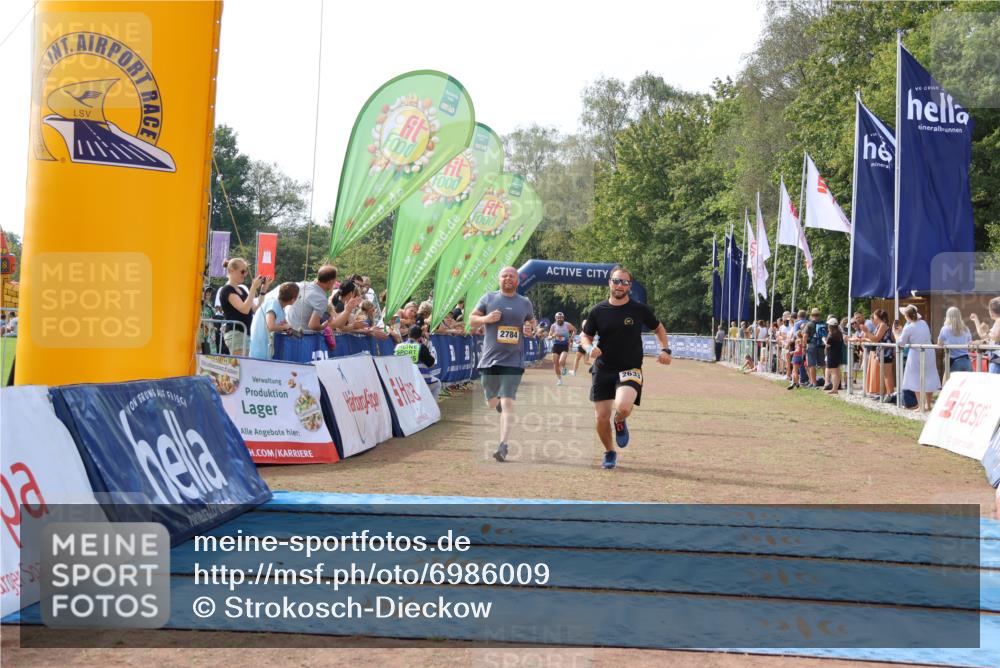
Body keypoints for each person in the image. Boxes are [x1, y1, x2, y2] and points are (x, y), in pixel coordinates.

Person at [579, 265, 671, 470]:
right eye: (616, 281)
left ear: (630, 286)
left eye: (624, 282)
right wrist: (589, 348)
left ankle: (620, 420)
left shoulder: (639, 309)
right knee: (601, 417)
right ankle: (609, 451)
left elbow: (658, 328)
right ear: (609, 283)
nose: (619, 285)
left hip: (630, 368)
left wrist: (665, 349)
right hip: (603, 368)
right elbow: (586, 336)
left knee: (622, 407)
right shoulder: (598, 310)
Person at [468, 266, 536, 463]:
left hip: (514, 360)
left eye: (512, 276)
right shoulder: (488, 298)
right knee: (491, 402)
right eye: (504, 276)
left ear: (518, 281)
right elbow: (472, 320)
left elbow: (532, 323)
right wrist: (486, 319)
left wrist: (530, 329)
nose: (508, 278)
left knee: (508, 402)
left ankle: (503, 445)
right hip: (490, 359)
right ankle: (496, 403)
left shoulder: (524, 302)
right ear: (499, 279)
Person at [218, 258, 268, 356]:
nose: (245, 274)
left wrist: (263, 291)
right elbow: (244, 309)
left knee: (243, 364)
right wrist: (253, 288)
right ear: (231, 270)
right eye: (242, 271)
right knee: (240, 364)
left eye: (246, 272)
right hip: (236, 333)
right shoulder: (227, 290)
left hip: (245, 333)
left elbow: (255, 309)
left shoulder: (242, 290)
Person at [894, 305, 941, 411]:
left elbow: (901, 342)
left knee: (915, 378)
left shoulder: (908, 328)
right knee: (929, 376)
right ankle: (928, 404)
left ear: (907, 316)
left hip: (916, 353)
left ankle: (921, 405)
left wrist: (896, 334)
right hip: (929, 352)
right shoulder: (923, 323)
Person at [287, 265, 357, 333]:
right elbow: (313, 325)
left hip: (287, 332)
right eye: (335, 280)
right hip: (303, 336)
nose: (335, 283)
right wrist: (323, 326)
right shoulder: (321, 298)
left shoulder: (302, 284)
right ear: (330, 282)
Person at [249, 282, 299, 359]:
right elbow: (270, 326)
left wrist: (298, 334)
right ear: (293, 299)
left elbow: (288, 329)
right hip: (259, 351)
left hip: (266, 351)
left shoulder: (280, 309)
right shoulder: (273, 304)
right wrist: (285, 327)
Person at [395, 325, 441, 400]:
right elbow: (431, 364)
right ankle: (431, 405)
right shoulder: (421, 347)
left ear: (408, 335)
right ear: (420, 337)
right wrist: (427, 348)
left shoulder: (398, 347)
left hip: (402, 381)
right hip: (420, 381)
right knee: (438, 383)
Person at [938, 306, 973, 374]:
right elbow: (970, 344)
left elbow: (939, 343)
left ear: (948, 317)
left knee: (952, 380)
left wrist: (946, 344)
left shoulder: (945, 329)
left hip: (954, 361)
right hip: (966, 361)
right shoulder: (966, 329)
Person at [971, 297, 1000, 374]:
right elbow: (983, 335)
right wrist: (976, 320)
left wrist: (987, 332)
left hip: (997, 360)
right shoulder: (997, 322)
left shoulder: (998, 321)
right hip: (996, 359)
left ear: (992, 311)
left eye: (989, 310)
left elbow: (997, 338)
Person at [547, 312, 576, 384]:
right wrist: (553, 336)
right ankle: (559, 380)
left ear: (563, 318)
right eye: (558, 318)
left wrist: (571, 339)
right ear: (555, 318)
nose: (560, 319)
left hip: (564, 345)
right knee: (555, 364)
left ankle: (564, 368)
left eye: (561, 318)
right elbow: (549, 337)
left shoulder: (567, 325)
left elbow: (575, 330)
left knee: (561, 361)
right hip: (556, 346)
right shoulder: (553, 326)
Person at [824, 316, 844, 395]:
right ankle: (835, 388)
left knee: (834, 372)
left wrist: (824, 340)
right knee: (836, 372)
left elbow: (828, 344)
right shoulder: (839, 333)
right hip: (837, 354)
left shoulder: (831, 335)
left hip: (832, 355)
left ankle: (834, 389)